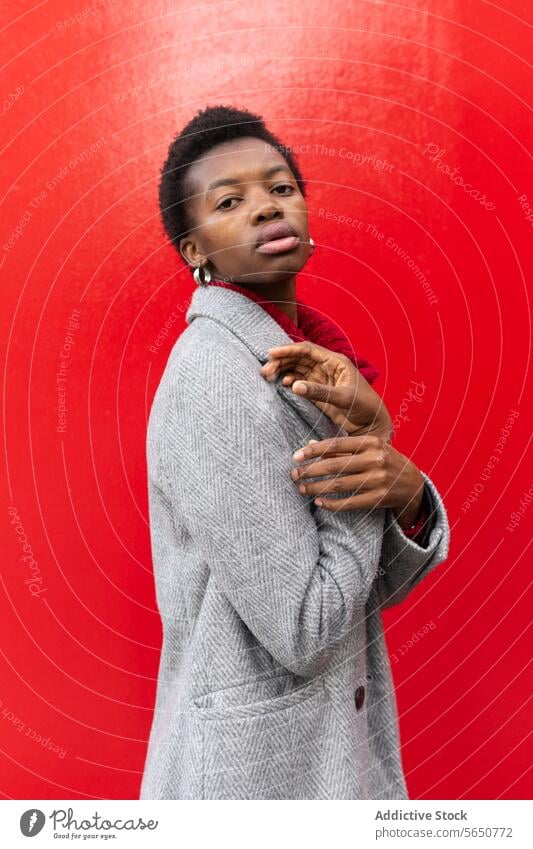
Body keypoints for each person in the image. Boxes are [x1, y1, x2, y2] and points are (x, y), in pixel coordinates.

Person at [140, 104, 450, 800]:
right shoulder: (217, 378)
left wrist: (403, 496)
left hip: (322, 761)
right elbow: (307, 629)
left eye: (280, 188)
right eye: (229, 200)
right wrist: (364, 447)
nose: (264, 208)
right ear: (194, 249)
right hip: (255, 781)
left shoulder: (303, 357)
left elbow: (358, 594)